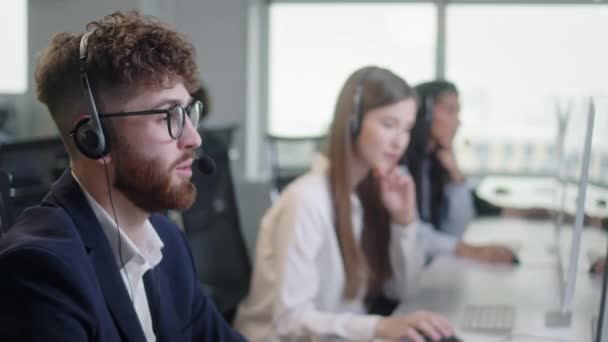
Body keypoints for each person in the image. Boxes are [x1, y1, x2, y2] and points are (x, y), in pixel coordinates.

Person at [0, 11, 244, 341]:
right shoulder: (39, 272)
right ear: (95, 136)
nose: (194, 138)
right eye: (167, 115)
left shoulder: (167, 241)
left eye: (188, 112)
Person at [235, 66, 456, 342]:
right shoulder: (306, 201)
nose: (400, 142)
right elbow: (289, 321)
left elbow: (404, 290)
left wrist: (405, 221)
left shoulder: (367, 195)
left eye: (407, 129)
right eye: (389, 125)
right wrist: (380, 328)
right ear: (352, 123)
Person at [402, 80, 516, 264]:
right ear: (425, 114)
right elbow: (410, 230)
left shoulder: (434, 164)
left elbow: (455, 230)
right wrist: (470, 251)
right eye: (450, 110)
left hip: (429, 270)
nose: (458, 121)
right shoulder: (401, 163)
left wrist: (455, 175)